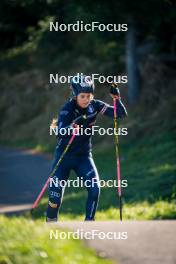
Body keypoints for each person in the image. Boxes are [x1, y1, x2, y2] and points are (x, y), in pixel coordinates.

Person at [46, 75, 127, 221]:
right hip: (64, 157)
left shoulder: (94, 105)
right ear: (75, 95)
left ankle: (89, 224)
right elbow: (59, 132)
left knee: (95, 189)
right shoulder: (67, 109)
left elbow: (119, 114)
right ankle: (50, 223)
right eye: (82, 96)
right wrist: (72, 126)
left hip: (84, 157)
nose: (86, 99)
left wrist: (116, 99)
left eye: (88, 96)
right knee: (55, 196)